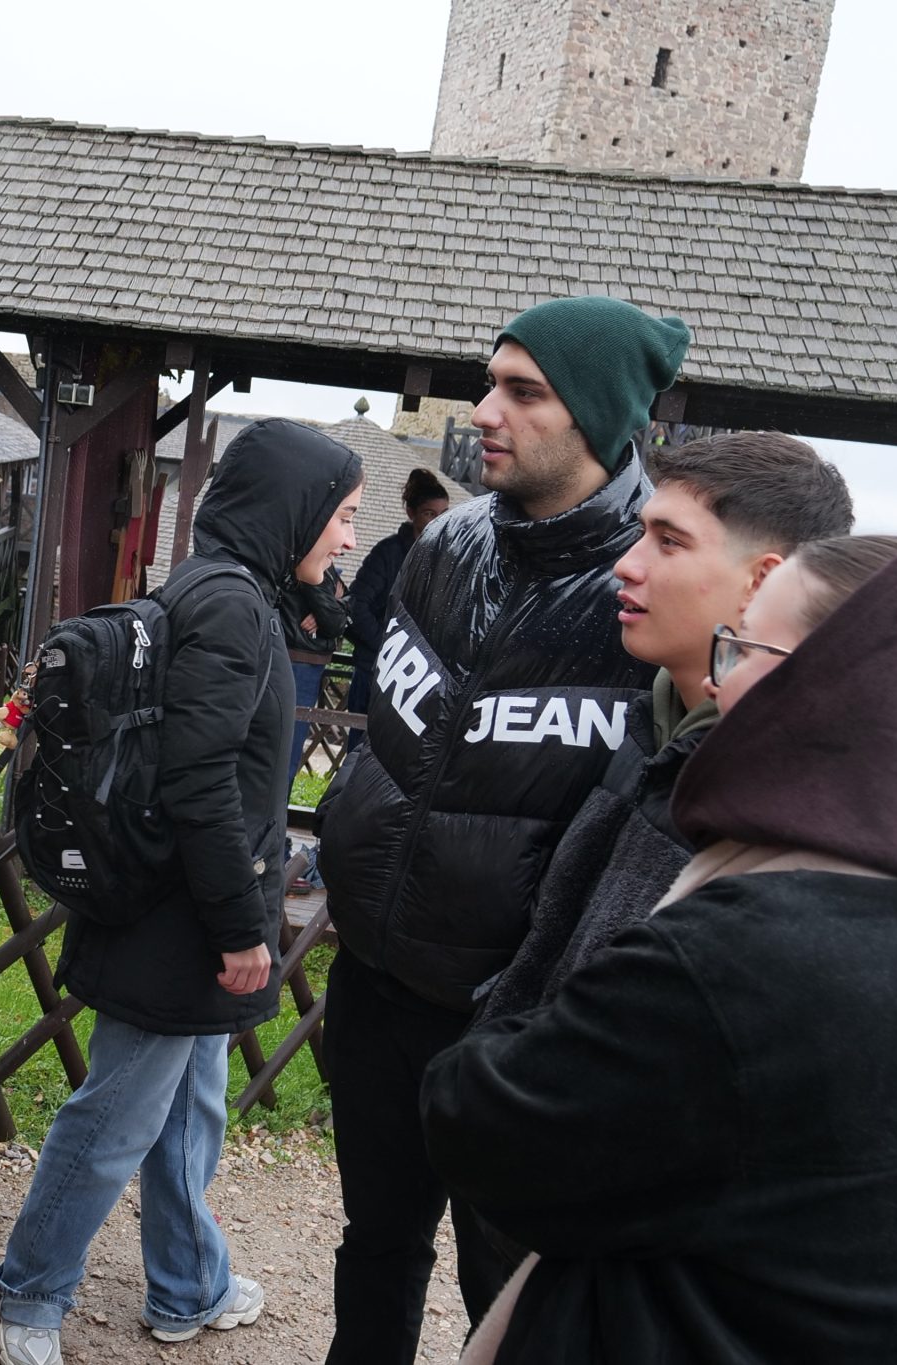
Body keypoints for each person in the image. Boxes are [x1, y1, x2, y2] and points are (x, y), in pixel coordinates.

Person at [428, 532, 897, 1365]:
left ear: (849, 691)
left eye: (745, 648)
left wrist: (505, 1027)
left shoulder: (753, 954)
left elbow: (487, 1127)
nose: (716, 679)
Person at [315, 295, 690, 1360]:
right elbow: (387, 737)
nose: (482, 411)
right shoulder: (450, 545)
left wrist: (537, 1000)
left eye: (522, 393)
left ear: (599, 418)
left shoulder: (641, 594)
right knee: (374, 1242)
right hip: (376, 981)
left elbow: (636, 837)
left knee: (512, 1292)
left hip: (513, 1022)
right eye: (489, 383)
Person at [0, 419, 364, 1365]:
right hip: (181, 913)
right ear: (294, 511)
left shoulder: (228, 589)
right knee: (117, 1116)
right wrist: (246, 931)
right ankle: (30, 1295)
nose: (349, 538)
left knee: (189, 1105)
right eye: (343, 517)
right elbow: (202, 785)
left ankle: (188, 1284)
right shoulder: (236, 607)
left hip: (179, 900)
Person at [473, 432, 854, 1024]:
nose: (627, 563)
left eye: (670, 542)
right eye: (642, 532)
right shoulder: (650, 723)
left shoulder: (769, 794)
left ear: (764, 581)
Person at [343, 468, 451, 722]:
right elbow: (356, 604)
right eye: (429, 513)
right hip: (375, 668)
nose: (437, 520)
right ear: (411, 513)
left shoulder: (447, 558)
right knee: (361, 748)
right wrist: (385, 645)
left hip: (420, 676)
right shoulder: (388, 553)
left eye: (443, 514)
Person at [280, 560, 350, 780]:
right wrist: (333, 606)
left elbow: (347, 597)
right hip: (298, 660)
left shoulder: (322, 561)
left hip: (302, 657)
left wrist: (335, 604)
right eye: (343, 522)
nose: (348, 542)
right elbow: (335, 622)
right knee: (285, 757)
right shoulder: (311, 558)